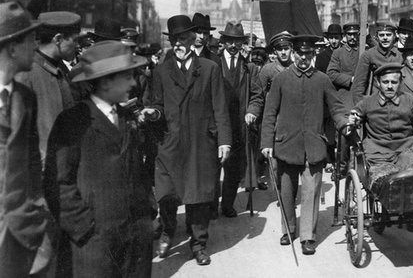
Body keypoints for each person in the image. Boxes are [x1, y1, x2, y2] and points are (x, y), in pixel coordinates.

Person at [46, 41, 153, 277]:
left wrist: (147, 214)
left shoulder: (127, 118)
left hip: (134, 242)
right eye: (127, 77)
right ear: (105, 81)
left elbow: (138, 171)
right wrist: (84, 231)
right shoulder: (72, 121)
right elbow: (58, 183)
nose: (134, 83)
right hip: (92, 249)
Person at [144, 15, 232, 265]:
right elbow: (157, 103)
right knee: (167, 195)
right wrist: (154, 113)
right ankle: (167, 234)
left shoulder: (209, 69)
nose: (178, 43)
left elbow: (220, 108)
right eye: (174, 39)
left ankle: (198, 243)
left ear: (193, 39)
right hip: (170, 142)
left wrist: (224, 141)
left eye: (183, 38)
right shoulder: (161, 71)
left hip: (199, 142)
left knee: (199, 196)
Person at [260, 35, 347, 255]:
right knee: (287, 193)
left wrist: (344, 124)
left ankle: (308, 236)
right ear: (293, 53)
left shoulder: (322, 79)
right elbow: (270, 112)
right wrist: (266, 142)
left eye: (308, 54)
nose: (303, 58)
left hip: (313, 146)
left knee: (311, 192)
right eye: (299, 53)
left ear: (313, 55)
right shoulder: (281, 79)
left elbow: (336, 108)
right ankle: (288, 228)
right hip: (286, 146)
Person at [0, 1, 53, 277]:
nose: (35, 46)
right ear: (12, 48)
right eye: (31, 40)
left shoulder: (24, 98)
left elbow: (30, 165)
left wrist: (37, 216)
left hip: (24, 235)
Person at [348, 62, 413, 232]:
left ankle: (412, 212)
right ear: (378, 82)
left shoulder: (410, 101)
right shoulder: (367, 102)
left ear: (400, 83)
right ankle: (385, 207)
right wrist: (354, 119)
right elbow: (356, 114)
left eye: (394, 82)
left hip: (406, 150)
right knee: (383, 181)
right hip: (377, 152)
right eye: (385, 82)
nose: (390, 86)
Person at [16, 11, 81, 166]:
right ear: (58, 39)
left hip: (61, 168)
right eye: (75, 40)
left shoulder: (58, 69)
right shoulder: (27, 72)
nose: (78, 46)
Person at [216, 23, 265, 218]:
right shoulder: (214, 63)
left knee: (234, 169)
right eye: (229, 41)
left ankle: (227, 205)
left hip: (240, 125)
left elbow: (257, 95)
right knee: (213, 167)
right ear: (224, 42)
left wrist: (252, 111)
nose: (233, 45)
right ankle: (211, 205)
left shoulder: (249, 67)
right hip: (217, 124)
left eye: (237, 41)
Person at [351, 22, 402, 104]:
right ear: (377, 37)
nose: (385, 38)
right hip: (375, 104)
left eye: (388, 35)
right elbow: (358, 86)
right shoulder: (368, 55)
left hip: (396, 104)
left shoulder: (400, 56)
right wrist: (361, 108)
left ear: (394, 36)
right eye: (381, 35)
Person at [327, 23, 360, 110]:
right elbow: (331, 74)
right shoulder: (338, 52)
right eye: (349, 34)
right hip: (345, 96)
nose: (352, 37)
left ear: (358, 35)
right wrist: (350, 79)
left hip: (362, 95)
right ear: (345, 35)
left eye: (355, 34)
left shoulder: (364, 51)